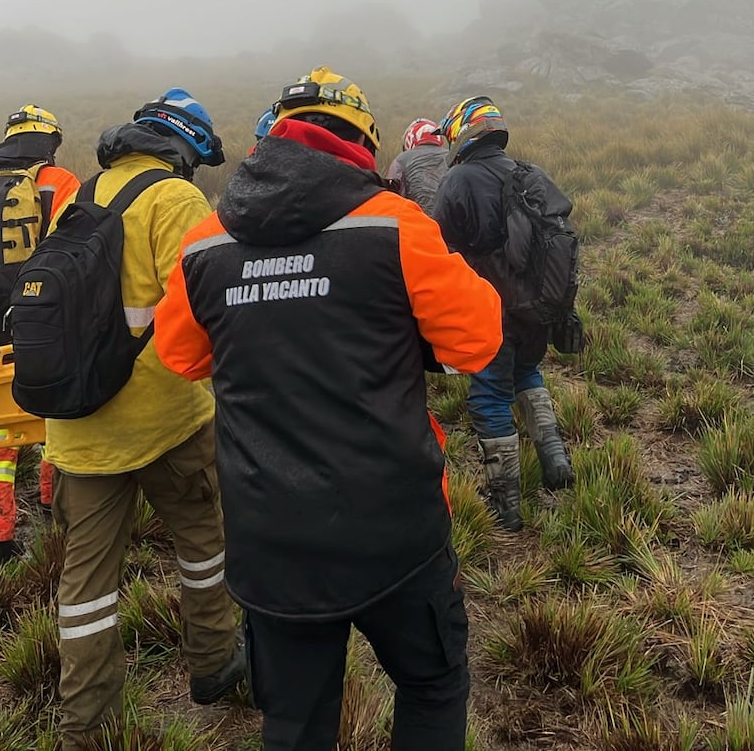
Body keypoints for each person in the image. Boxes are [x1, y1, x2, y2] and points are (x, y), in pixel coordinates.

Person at [154, 66, 502, 751]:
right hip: (394, 529)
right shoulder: (395, 227)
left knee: (293, 725)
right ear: (361, 141)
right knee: (432, 686)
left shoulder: (204, 245)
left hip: (269, 539)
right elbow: (478, 339)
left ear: (274, 135)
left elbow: (182, 357)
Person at [45, 89, 244, 751]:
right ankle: (214, 663)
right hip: (168, 419)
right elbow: (201, 310)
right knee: (202, 541)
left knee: (86, 584)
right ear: (184, 148)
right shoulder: (176, 200)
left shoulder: (80, 195)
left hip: (75, 426)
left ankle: (84, 724)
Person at [433, 96, 574, 532]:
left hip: (490, 308)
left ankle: (506, 503)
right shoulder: (528, 173)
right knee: (527, 374)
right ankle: (555, 460)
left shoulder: (458, 180)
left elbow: (438, 249)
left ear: (462, 132)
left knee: (489, 394)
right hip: (539, 308)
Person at [0, 105, 79, 570]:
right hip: (36, 316)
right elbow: (74, 249)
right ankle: (52, 509)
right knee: (49, 414)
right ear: (50, 141)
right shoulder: (56, 181)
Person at [386, 117, 449, 214]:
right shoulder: (451, 156)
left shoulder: (401, 160)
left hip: (413, 220)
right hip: (448, 222)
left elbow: (390, 194)